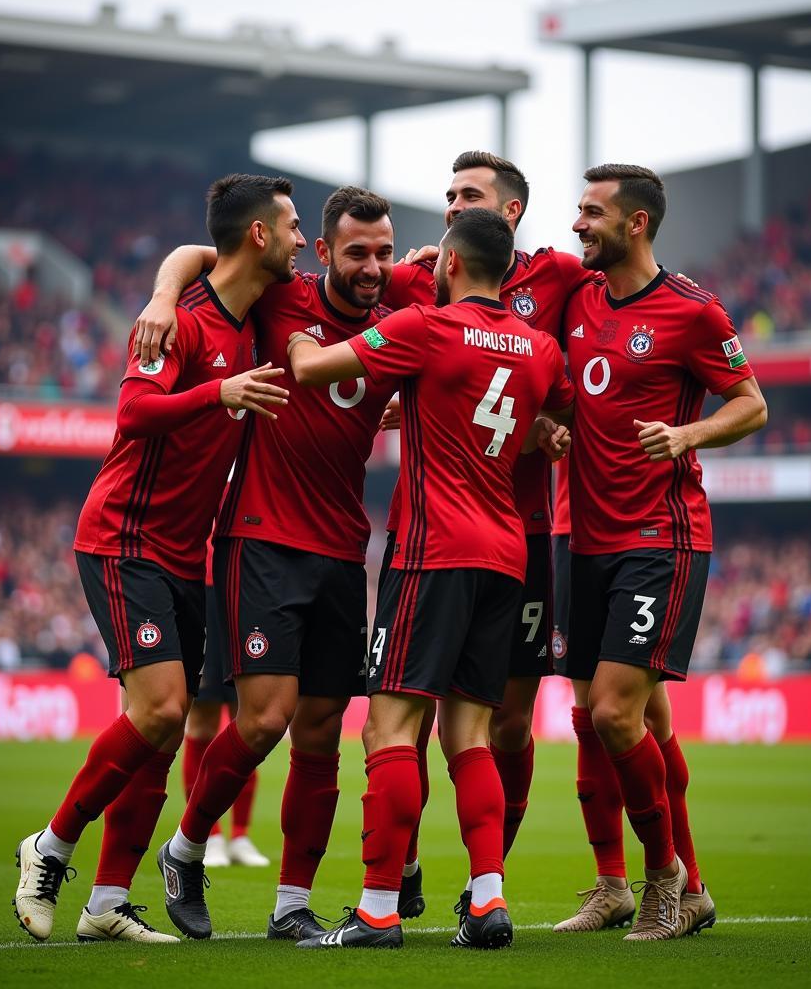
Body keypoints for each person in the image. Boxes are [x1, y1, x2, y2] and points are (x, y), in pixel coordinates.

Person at [11, 173, 300, 944]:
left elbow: (192, 248)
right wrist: (216, 387)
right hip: (123, 539)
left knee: (163, 733)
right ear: (260, 237)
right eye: (294, 226)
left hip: (186, 554)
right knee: (164, 710)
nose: (304, 241)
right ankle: (50, 846)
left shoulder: (250, 308)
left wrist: (166, 282)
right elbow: (135, 413)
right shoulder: (185, 324)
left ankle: (107, 904)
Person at [143, 188, 434, 941]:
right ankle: (185, 847)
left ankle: (289, 907)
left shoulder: (397, 302)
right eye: (356, 252)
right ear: (325, 251)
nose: (372, 267)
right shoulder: (281, 292)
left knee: (320, 731)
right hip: (263, 537)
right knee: (265, 717)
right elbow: (200, 253)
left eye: (383, 251)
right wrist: (162, 295)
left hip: (344, 547)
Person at [287, 209, 574, 950]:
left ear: (448, 263)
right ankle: (487, 900)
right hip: (507, 555)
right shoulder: (539, 347)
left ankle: (379, 909)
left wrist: (293, 334)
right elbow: (555, 407)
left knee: (389, 726)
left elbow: (312, 368)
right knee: (470, 732)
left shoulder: (425, 327)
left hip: (432, 552)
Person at [558, 163, 767, 941]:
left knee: (616, 713)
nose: (578, 223)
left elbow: (751, 403)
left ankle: (665, 880)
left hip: (660, 536)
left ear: (635, 223)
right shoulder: (576, 298)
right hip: (584, 539)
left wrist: (687, 433)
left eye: (592, 212)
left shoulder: (690, 310)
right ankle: (666, 885)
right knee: (601, 713)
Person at [384, 151, 590, 920]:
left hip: (526, 536)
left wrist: (544, 431)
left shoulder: (566, 279)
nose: (448, 207)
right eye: (445, 194)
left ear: (507, 212)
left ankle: (483, 881)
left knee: (500, 722)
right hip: (434, 531)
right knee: (418, 713)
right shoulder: (419, 279)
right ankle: (403, 868)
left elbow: (571, 399)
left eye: (465, 195)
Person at [180, 533, 268, 870]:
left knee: (247, 722)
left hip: (245, 585)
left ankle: (241, 834)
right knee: (202, 721)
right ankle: (209, 834)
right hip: (202, 587)